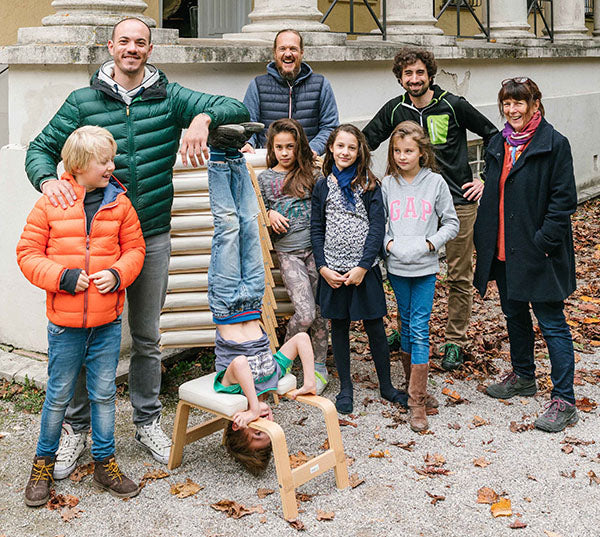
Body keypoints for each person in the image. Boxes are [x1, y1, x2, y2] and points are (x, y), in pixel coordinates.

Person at [24, 17, 251, 474]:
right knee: (83, 333)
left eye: (140, 43)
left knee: (147, 337)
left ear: (150, 50)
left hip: (150, 237)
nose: (132, 49)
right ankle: (78, 430)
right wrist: (49, 182)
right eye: (124, 41)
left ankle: (147, 420)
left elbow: (234, 107)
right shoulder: (81, 101)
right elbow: (38, 149)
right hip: (93, 240)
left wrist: (202, 118)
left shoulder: (169, 97)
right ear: (110, 46)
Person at [17, 126, 146, 506]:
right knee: (57, 396)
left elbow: (135, 249)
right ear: (78, 165)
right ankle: (42, 464)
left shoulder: (119, 203)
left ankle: (105, 463)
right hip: (64, 326)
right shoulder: (50, 204)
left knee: (104, 395)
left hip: (106, 323)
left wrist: (119, 273)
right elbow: (27, 254)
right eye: (103, 160)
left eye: (111, 158)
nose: (111, 165)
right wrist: (62, 277)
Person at [363, 48, 498, 371]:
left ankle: (455, 339)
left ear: (430, 74)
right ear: (400, 78)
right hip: (413, 204)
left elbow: (494, 135)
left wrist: (485, 180)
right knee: (404, 265)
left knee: (458, 274)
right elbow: (365, 141)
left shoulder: (453, 104)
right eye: (408, 74)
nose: (414, 79)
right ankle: (405, 330)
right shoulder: (395, 110)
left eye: (420, 73)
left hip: (457, 199)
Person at [206, 126, 316, 475]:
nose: (264, 423)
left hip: (226, 302)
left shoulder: (233, 393)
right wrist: (309, 379)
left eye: (256, 433)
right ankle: (234, 156)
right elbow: (299, 339)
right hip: (252, 299)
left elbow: (238, 364)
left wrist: (252, 404)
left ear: (238, 425)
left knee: (227, 225)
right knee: (249, 223)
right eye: (267, 433)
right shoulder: (274, 377)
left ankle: (216, 157)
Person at [473, 77, 579, 433]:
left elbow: (564, 200)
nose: (512, 110)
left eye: (519, 103)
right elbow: (495, 191)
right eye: (506, 103)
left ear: (535, 104)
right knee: (514, 315)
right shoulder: (498, 143)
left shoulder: (554, 144)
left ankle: (564, 400)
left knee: (551, 323)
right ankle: (523, 376)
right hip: (505, 249)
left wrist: (542, 241)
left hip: (539, 251)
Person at [311, 124, 408, 415]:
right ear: (331, 148)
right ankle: (346, 389)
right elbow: (317, 228)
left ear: (360, 151)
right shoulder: (322, 185)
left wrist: (364, 266)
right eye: (340, 146)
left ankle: (387, 385)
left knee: (375, 327)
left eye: (352, 147)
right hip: (333, 272)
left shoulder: (368, 185)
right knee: (339, 328)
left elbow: (377, 227)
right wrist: (322, 267)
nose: (345, 152)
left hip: (363, 271)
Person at [382, 121, 459, 432]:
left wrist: (430, 243)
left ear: (422, 152)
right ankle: (415, 387)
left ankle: (416, 400)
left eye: (409, 151)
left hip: (425, 268)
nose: (403, 156)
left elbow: (451, 223)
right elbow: (381, 223)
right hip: (398, 268)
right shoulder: (387, 184)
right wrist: (389, 244)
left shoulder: (436, 183)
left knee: (420, 327)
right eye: (398, 151)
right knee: (406, 324)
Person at [257, 118, 329, 394]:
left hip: (316, 251)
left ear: (299, 146)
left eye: (290, 146)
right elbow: (257, 210)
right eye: (279, 147)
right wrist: (270, 214)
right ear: (271, 148)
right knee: (306, 312)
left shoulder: (313, 173)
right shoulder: (265, 179)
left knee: (321, 312)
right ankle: (282, 361)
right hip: (288, 253)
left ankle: (319, 366)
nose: (285, 152)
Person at [241, 29, 339, 156]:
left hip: (307, 163)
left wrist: (311, 150)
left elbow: (330, 127)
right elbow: (249, 126)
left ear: (301, 52)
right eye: (282, 49)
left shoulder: (321, 85)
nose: (288, 54)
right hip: (269, 162)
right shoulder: (257, 85)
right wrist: (248, 143)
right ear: (275, 53)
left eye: (293, 49)